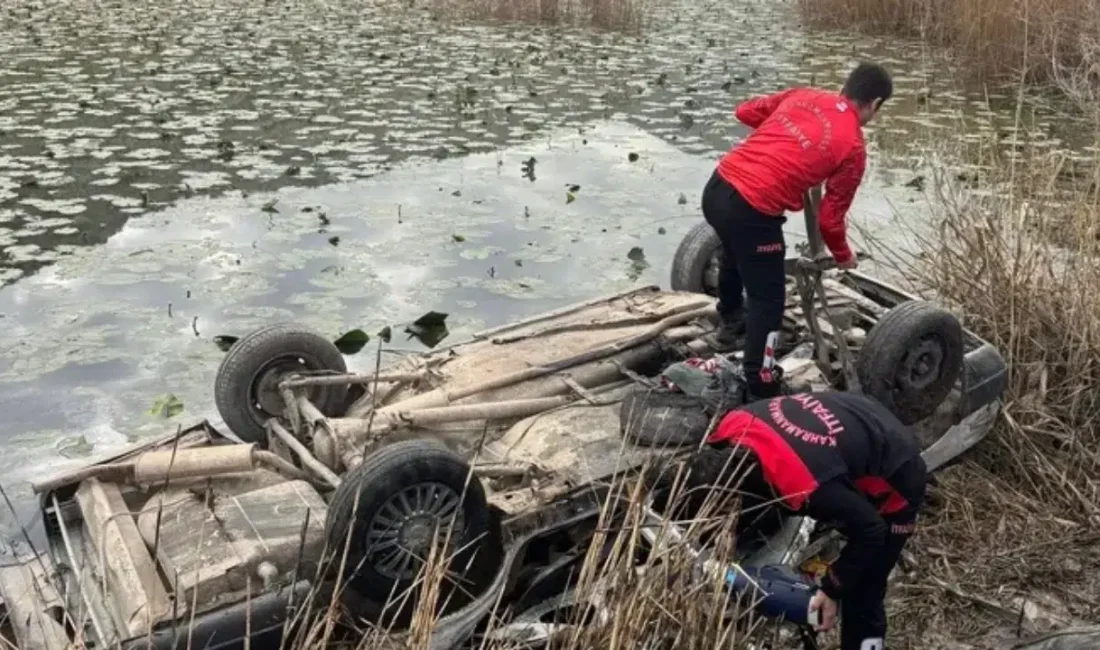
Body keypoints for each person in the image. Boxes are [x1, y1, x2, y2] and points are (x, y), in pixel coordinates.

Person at [702, 62, 894, 400]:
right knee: (769, 300)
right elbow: (830, 220)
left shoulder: (803, 96)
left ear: (845, 87)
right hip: (752, 211)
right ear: (875, 104)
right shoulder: (853, 147)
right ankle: (760, 383)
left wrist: (788, 134)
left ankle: (730, 322)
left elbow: (744, 111)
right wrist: (844, 256)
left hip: (717, 188)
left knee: (732, 252)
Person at [695, 389, 926, 650]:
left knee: (864, 591)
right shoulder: (732, 424)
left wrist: (831, 590)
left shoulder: (807, 484)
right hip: (851, 416)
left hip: (897, 473)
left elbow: (871, 531)